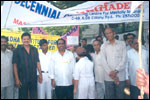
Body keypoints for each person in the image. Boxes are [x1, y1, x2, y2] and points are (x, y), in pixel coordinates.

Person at [12, 32, 43, 99]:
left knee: (34, 96)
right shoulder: (17, 50)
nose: (26, 40)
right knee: (23, 96)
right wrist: (17, 79)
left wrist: (40, 74)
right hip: (22, 78)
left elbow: (37, 62)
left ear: (30, 40)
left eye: (28, 39)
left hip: (33, 77)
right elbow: (14, 65)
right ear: (22, 40)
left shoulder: (34, 49)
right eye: (24, 39)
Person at [101, 28, 126, 99]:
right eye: (107, 33)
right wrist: (111, 73)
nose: (109, 35)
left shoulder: (122, 44)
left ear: (114, 33)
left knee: (120, 96)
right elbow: (103, 61)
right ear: (105, 35)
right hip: (108, 77)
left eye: (110, 32)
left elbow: (124, 59)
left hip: (120, 76)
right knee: (109, 97)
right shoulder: (103, 46)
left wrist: (115, 71)